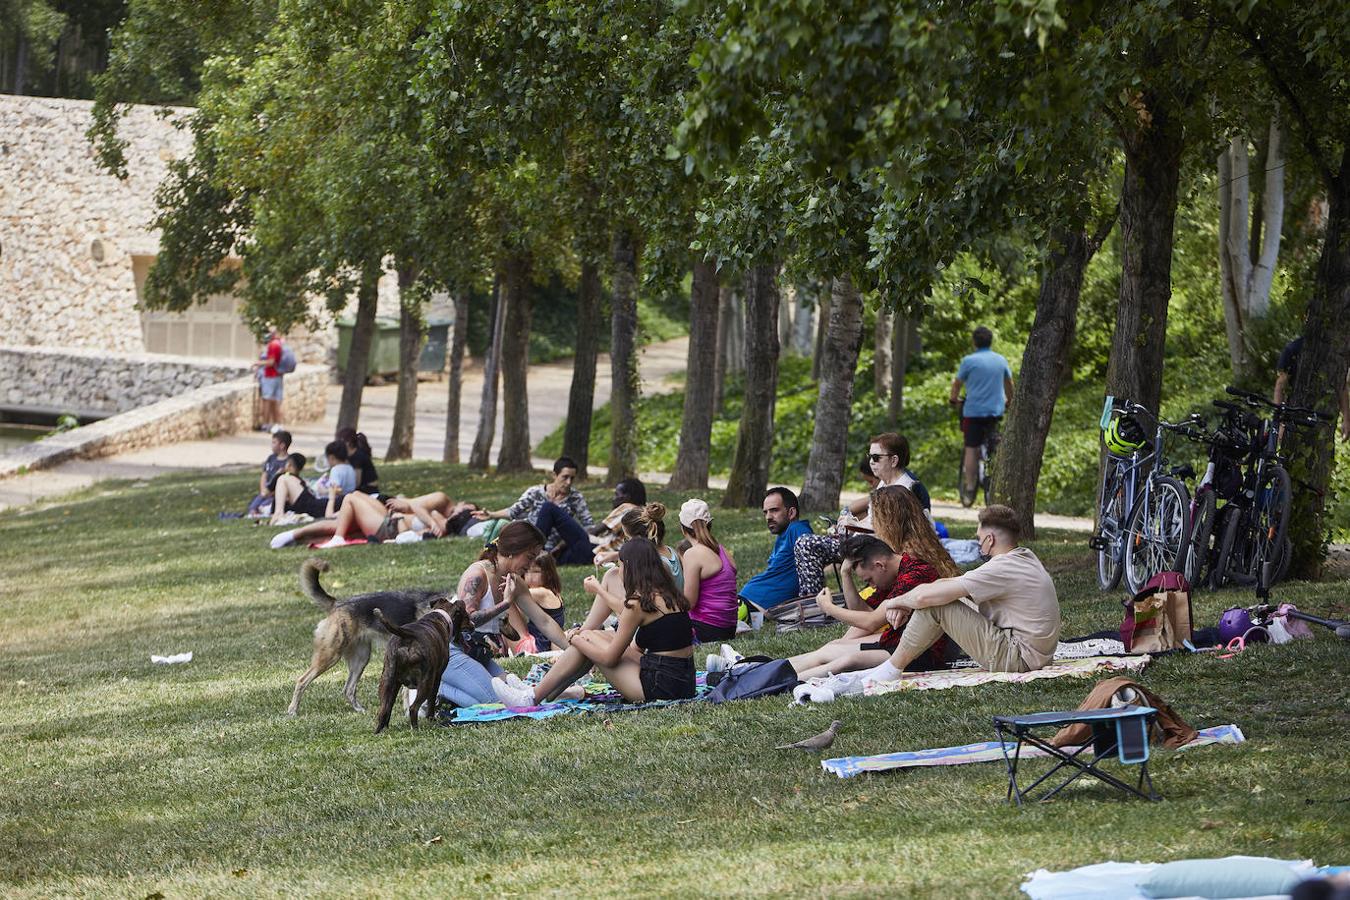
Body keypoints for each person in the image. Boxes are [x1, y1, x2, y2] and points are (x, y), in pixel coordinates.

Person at [837, 504, 1060, 685]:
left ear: (990, 539)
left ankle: (891, 669)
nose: (979, 545)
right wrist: (906, 601)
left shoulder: (1001, 568)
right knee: (944, 596)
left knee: (936, 605)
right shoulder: (1023, 557)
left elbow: (927, 598)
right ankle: (891, 667)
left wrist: (897, 602)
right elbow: (949, 584)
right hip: (1034, 654)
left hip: (1019, 659)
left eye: (979, 539)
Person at [492, 539, 696, 706]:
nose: (619, 570)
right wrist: (590, 638)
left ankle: (532, 697)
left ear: (631, 568)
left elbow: (609, 659)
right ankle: (541, 693)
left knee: (587, 639)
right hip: (683, 681)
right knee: (596, 636)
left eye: (620, 564)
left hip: (660, 687)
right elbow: (638, 648)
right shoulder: (671, 595)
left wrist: (577, 639)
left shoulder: (639, 603)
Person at [790, 488, 959, 678]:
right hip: (901, 636)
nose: (872, 525)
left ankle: (779, 677)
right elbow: (866, 613)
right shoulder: (898, 558)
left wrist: (829, 608)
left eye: (875, 518)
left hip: (921, 646)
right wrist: (845, 573)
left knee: (837, 655)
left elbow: (871, 621)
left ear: (890, 520)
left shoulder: (913, 562)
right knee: (833, 648)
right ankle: (774, 671)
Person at [793, 432, 931, 597]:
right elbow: (876, 520)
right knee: (807, 542)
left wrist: (853, 526)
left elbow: (892, 534)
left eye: (876, 457)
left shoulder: (904, 489)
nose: (871, 462)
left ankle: (812, 604)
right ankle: (815, 600)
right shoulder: (885, 483)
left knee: (806, 544)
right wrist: (850, 525)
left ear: (894, 460)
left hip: (883, 549)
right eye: (870, 456)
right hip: (870, 541)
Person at [474, 457, 595, 563]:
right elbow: (514, 511)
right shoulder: (536, 492)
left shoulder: (575, 497)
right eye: (565, 477)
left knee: (586, 549)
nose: (568, 482)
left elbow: (588, 525)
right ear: (554, 475)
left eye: (572, 478)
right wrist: (491, 514)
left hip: (556, 547)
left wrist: (563, 544)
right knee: (547, 508)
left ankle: (543, 557)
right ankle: (532, 552)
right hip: (533, 543)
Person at [269, 490, 476, 549]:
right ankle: (295, 536)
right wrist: (406, 505)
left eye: (468, 512)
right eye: (469, 507)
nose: (465, 510)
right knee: (355, 499)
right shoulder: (442, 504)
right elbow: (413, 505)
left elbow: (414, 507)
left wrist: (411, 509)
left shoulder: (445, 524)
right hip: (392, 517)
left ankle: (338, 538)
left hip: (389, 526)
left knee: (350, 500)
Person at [952, 325, 1013, 498]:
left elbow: (957, 384)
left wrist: (953, 399)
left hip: (973, 413)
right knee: (995, 441)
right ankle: (998, 475)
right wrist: (1011, 400)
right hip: (996, 411)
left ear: (974, 342)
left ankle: (970, 486)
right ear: (991, 341)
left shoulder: (969, 361)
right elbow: (1009, 383)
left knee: (971, 447)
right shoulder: (1001, 360)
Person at [739, 487, 815, 612]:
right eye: (765, 512)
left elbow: (816, 556)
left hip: (753, 607)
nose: (768, 517)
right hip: (747, 603)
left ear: (791, 513)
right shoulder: (784, 534)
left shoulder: (797, 529)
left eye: (774, 510)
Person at [677, 498, 739, 643]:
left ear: (682, 528)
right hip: (729, 628)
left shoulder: (693, 554)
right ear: (709, 524)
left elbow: (689, 603)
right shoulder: (722, 550)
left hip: (705, 629)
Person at [1274, 334, 1350, 441]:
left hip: (1324, 419)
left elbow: (1341, 386)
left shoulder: (1335, 352)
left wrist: (1346, 419)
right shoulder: (1293, 349)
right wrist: (1280, 423)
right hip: (1295, 415)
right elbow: (1280, 385)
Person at [269, 441, 355, 525]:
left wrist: (322, 490)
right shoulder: (350, 468)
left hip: (320, 506)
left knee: (283, 478)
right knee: (285, 479)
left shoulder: (336, 470)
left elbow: (335, 489)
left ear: (332, 457)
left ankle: (278, 513)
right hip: (331, 504)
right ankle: (279, 512)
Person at [590, 478, 647, 558]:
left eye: (617, 494)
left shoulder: (627, 508)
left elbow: (596, 531)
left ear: (627, 497)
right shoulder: (644, 511)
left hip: (608, 551)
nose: (614, 498)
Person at [246, 429, 291, 517]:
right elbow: (264, 475)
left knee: (265, 506)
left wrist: (271, 493)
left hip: (276, 494)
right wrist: (263, 490)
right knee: (253, 506)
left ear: (282, 445)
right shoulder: (271, 458)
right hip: (265, 492)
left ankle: (264, 510)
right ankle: (255, 511)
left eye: (274, 442)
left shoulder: (289, 462)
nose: (271, 445)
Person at [252, 328, 285, 431]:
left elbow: (271, 362)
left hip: (270, 376)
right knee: (275, 401)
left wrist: (257, 363)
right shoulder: (280, 343)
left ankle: (266, 424)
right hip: (278, 375)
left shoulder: (273, 345)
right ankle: (277, 424)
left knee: (267, 400)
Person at [335, 427, 380, 495]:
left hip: (368, 490)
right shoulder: (349, 455)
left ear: (348, 442)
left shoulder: (358, 457)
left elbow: (356, 483)